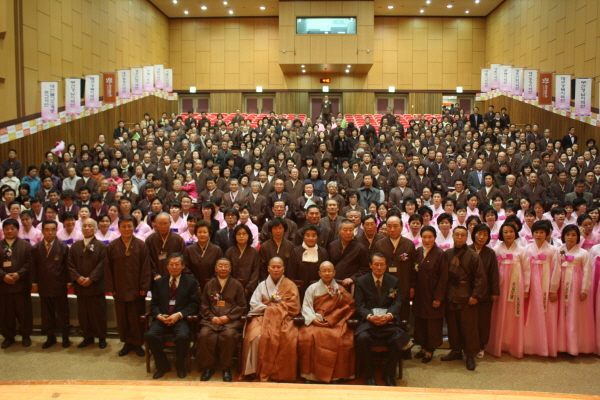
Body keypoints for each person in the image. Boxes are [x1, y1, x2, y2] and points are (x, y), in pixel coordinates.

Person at [354, 253, 411, 386]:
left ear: (386, 265)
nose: (379, 267)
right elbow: (359, 304)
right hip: (369, 322)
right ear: (370, 265)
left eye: (382, 264)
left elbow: (397, 302)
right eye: (376, 264)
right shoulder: (361, 281)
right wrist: (370, 317)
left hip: (388, 322)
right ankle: (369, 375)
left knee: (398, 338)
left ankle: (388, 374)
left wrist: (389, 315)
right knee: (362, 338)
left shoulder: (394, 281)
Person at [241, 257, 301, 382]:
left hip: (284, 318)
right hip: (262, 317)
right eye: (273, 267)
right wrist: (269, 309)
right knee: (255, 336)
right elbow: (254, 303)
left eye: (279, 267)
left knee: (287, 337)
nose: (276, 269)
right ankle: (254, 370)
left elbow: (294, 306)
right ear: (268, 269)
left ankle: (279, 372)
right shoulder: (262, 285)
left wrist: (275, 310)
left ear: (283, 269)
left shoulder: (290, 285)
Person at [144, 253, 200, 379]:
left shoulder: (191, 282)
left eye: (177, 264)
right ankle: (162, 365)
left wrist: (178, 315)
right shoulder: (159, 283)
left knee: (182, 336)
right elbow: (153, 305)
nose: (174, 267)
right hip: (162, 318)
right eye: (171, 264)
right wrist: (159, 316)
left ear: (183, 266)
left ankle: (180, 365)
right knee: (150, 335)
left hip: (180, 319)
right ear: (167, 266)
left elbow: (194, 305)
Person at [299, 261, 356, 383]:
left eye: (329, 271)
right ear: (319, 273)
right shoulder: (312, 288)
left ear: (334, 272)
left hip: (336, 322)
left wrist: (333, 318)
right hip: (315, 321)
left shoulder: (339, 289)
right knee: (307, 337)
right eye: (324, 271)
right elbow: (306, 306)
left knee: (341, 338)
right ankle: (310, 375)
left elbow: (348, 306)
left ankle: (336, 376)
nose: (327, 273)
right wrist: (313, 318)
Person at [106, 215, 152, 358]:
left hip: (136, 289)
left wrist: (144, 287)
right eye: (123, 226)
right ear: (119, 228)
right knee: (123, 318)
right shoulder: (112, 246)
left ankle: (137, 343)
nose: (127, 229)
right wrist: (111, 287)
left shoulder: (141, 245)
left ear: (134, 227)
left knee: (136, 317)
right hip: (119, 288)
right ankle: (127, 342)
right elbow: (108, 268)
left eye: (129, 226)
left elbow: (146, 267)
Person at [441, 226, 486, 370]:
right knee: (453, 327)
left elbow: (480, 278)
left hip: (467, 297)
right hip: (450, 296)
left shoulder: (473, 255)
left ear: (467, 237)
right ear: (453, 236)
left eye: (462, 235)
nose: (459, 238)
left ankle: (470, 355)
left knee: (469, 328)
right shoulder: (447, 254)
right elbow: (442, 276)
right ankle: (456, 351)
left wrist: (475, 296)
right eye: (457, 235)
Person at [198, 258, 247, 382]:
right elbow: (204, 306)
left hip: (230, 321)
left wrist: (228, 317)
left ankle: (226, 367)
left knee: (229, 335)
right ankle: (208, 367)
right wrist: (212, 317)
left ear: (230, 269)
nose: (223, 268)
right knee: (204, 334)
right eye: (220, 266)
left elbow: (242, 305)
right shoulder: (209, 285)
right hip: (211, 320)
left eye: (226, 266)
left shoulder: (237, 285)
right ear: (215, 269)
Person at [550, 225, 596, 355]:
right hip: (561, 284)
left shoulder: (583, 253)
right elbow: (555, 270)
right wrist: (553, 289)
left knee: (574, 313)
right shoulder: (559, 251)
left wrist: (584, 290)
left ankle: (575, 345)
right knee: (561, 313)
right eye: (568, 235)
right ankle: (561, 345)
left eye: (574, 235)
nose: (570, 237)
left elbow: (587, 272)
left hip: (576, 285)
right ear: (563, 236)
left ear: (578, 237)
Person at [487, 222, 529, 359]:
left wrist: (526, 288)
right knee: (499, 313)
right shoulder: (496, 249)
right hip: (500, 286)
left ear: (515, 233)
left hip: (516, 286)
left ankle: (513, 344)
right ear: (501, 234)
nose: (508, 234)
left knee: (513, 315)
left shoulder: (522, 250)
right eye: (505, 232)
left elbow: (527, 270)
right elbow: (492, 270)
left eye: (511, 231)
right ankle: (497, 344)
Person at [67, 218, 108, 349]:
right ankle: (87, 337)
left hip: (95, 286)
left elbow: (102, 265)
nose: (87, 228)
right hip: (80, 286)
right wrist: (78, 278)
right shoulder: (75, 246)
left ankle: (101, 337)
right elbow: (70, 264)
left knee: (98, 313)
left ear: (96, 229)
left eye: (90, 226)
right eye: (85, 226)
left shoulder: (102, 246)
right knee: (83, 314)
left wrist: (91, 278)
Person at [410, 226, 448, 363]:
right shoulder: (418, 251)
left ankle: (430, 349)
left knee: (432, 324)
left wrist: (438, 298)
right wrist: (412, 287)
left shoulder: (440, 254)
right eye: (424, 237)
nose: (427, 240)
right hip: (420, 294)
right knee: (420, 322)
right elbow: (413, 271)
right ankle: (423, 347)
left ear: (435, 238)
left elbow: (443, 278)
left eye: (430, 237)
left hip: (433, 295)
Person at [30, 220, 71, 349]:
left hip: (59, 285)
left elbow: (68, 267)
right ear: (42, 231)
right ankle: (50, 337)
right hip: (44, 285)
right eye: (47, 230)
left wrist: (69, 282)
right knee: (47, 313)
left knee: (63, 312)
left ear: (56, 231)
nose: (50, 232)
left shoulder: (63, 247)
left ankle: (65, 336)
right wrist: (34, 283)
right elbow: (33, 267)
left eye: (53, 229)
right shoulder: (36, 248)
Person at [523, 221, 561, 357]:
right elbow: (524, 269)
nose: (538, 235)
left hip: (546, 284)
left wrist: (553, 289)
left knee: (546, 313)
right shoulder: (526, 249)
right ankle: (529, 344)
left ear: (547, 234)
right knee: (531, 312)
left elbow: (557, 270)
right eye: (536, 232)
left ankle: (545, 345)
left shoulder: (553, 250)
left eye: (542, 232)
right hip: (531, 284)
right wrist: (525, 287)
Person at [373, 215, 417, 323]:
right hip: (385, 285)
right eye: (389, 226)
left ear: (402, 227)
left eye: (395, 226)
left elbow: (414, 268)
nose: (392, 229)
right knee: (386, 313)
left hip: (404, 284)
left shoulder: (409, 244)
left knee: (403, 314)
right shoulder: (379, 245)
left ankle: (403, 332)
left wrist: (412, 286)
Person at [0, 219, 33, 348]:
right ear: (3, 230)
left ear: (18, 230)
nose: (9, 231)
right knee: (5, 313)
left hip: (21, 285)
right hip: (3, 286)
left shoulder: (26, 245)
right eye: (6, 228)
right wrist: (3, 276)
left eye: (12, 228)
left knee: (24, 312)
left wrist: (19, 274)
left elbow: (29, 263)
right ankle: (9, 336)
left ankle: (26, 335)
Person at [469, 224, 500, 358]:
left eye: (485, 235)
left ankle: (481, 346)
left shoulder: (490, 253)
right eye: (479, 233)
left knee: (483, 322)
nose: (481, 237)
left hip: (485, 294)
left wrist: (495, 292)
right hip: (468, 293)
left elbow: (494, 274)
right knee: (469, 321)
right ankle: (469, 346)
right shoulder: (467, 250)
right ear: (474, 234)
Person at [328, 219, 369, 289]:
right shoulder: (332, 245)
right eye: (345, 230)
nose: (348, 233)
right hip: (334, 282)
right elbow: (329, 264)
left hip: (351, 284)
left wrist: (352, 278)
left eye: (351, 230)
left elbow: (365, 269)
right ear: (339, 231)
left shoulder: (360, 248)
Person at [287, 224, 329, 290]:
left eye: (313, 236)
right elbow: (291, 274)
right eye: (307, 235)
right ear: (303, 237)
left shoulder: (323, 252)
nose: (310, 238)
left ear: (317, 237)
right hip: (299, 289)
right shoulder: (296, 252)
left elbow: (325, 273)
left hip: (318, 289)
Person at [146, 213, 186, 281]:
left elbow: (183, 259)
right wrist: (155, 273)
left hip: (174, 276)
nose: (163, 226)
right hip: (155, 277)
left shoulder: (178, 239)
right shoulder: (150, 239)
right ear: (156, 223)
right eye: (160, 223)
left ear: (170, 223)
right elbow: (148, 259)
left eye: (165, 223)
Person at [258, 217, 295, 281]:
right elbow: (262, 267)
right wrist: (264, 281)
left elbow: (292, 267)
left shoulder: (290, 246)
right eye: (275, 228)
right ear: (271, 230)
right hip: (268, 280)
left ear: (284, 229)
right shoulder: (265, 246)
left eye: (280, 228)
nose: (278, 231)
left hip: (285, 280)